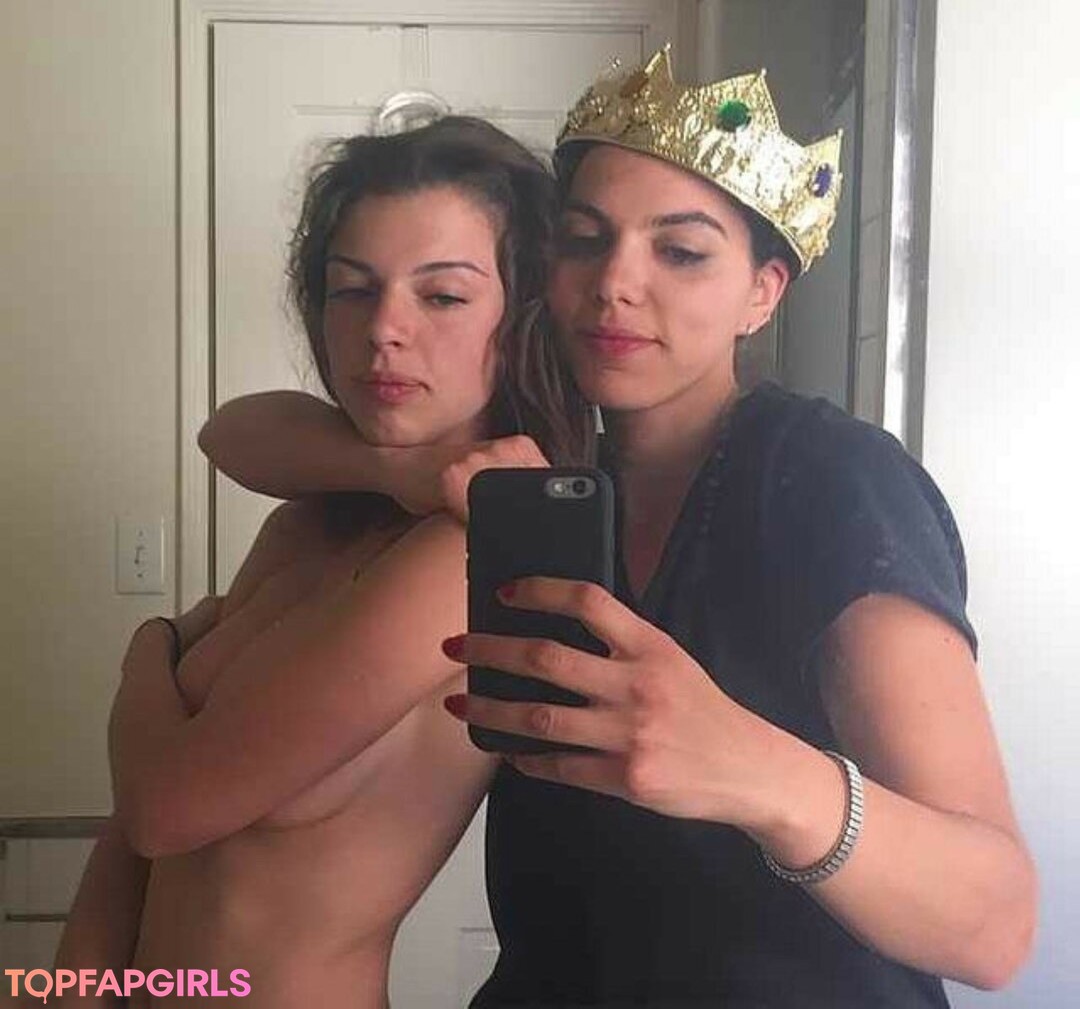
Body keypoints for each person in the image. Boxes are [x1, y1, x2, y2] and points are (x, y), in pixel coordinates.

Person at [200, 48, 1037, 1008]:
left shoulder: (828, 482)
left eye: (680, 251)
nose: (615, 283)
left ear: (762, 292)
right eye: (584, 241)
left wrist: (753, 768)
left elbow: (996, 925)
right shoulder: (539, 474)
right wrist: (404, 469)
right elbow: (243, 435)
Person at [53, 116, 591, 1009]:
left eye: (443, 296)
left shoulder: (461, 560)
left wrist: (147, 648)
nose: (384, 329)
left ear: (522, 316)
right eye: (352, 288)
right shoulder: (312, 519)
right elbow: (228, 430)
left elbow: (160, 806)